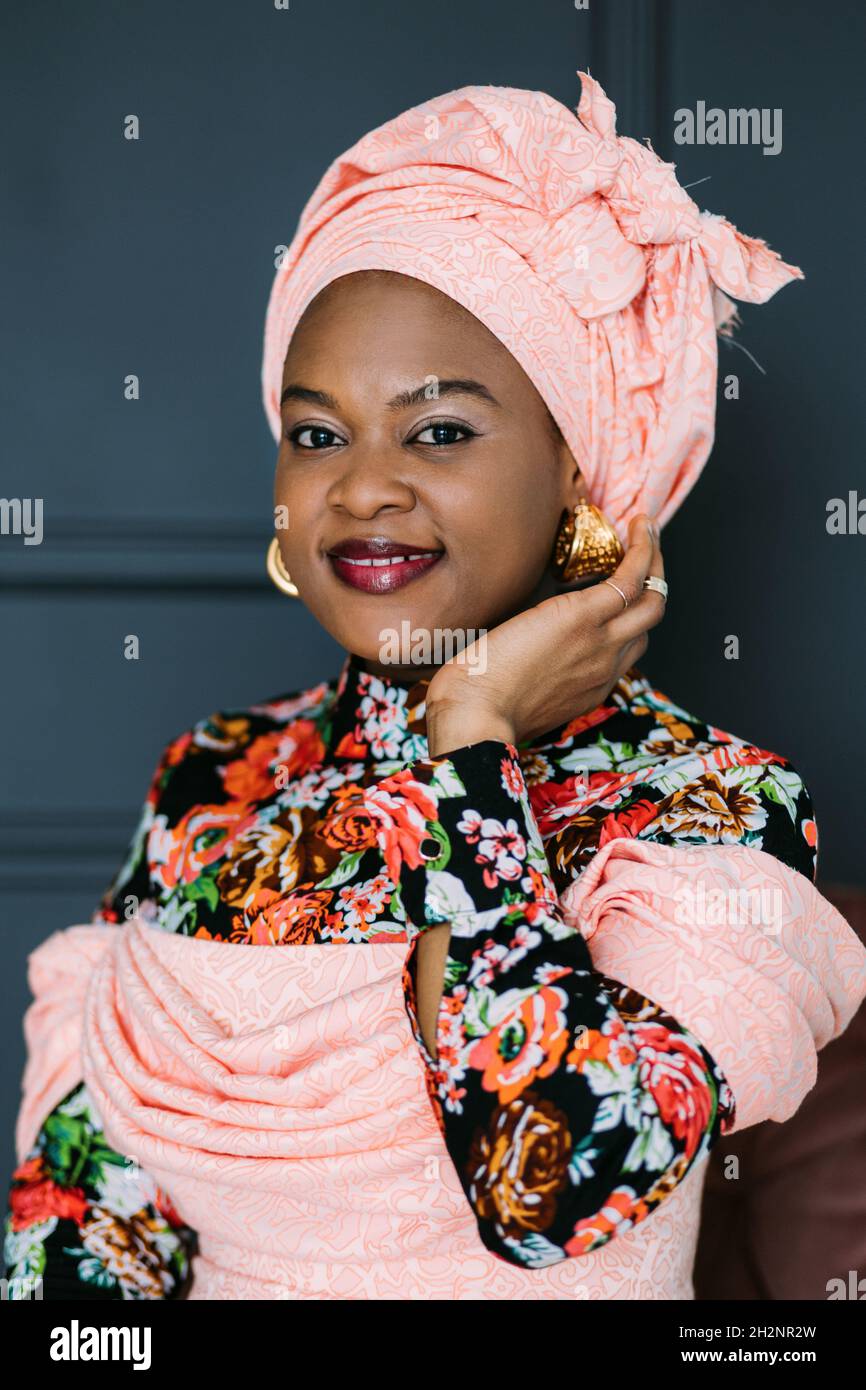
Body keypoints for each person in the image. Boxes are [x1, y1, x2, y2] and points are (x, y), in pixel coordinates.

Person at [4, 70, 865, 1301]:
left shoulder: (711, 802)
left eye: (439, 430)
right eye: (316, 433)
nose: (359, 488)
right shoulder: (216, 777)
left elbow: (550, 1187)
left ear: (582, 471)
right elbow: (80, 1233)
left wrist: (470, 742)